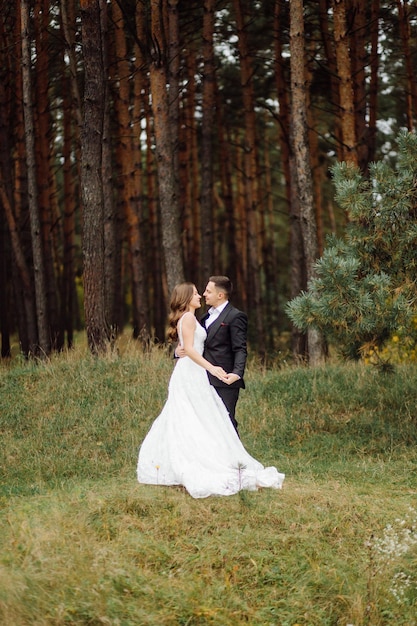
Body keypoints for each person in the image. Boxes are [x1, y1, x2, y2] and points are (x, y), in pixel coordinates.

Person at [137, 282, 285, 499]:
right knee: (189, 417)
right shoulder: (190, 318)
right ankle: (192, 462)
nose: (201, 295)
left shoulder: (199, 318)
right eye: (197, 293)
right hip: (193, 373)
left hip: (196, 373)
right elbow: (188, 348)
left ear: (221, 293)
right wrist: (211, 367)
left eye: (204, 292)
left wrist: (232, 371)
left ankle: (205, 457)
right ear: (187, 298)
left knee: (202, 418)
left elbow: (221, 347)